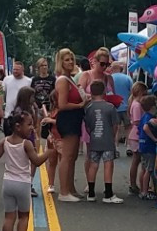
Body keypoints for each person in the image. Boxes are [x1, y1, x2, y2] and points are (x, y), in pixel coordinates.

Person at [52, 48, 86, 203]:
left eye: (72, 59)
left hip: (74, 118)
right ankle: (64, 191)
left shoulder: (69, 78)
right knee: (67, 156)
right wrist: (80, 105)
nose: (70, 62)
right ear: (60, 62)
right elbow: (63, 104)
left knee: (72, 156)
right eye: (67, 59)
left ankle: (70, 188)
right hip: (67, 119)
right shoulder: (63, 80)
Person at [83, 75, 124, 203]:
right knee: (108, 164)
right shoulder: (110, 107)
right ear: (104, 91)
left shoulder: (88, 108)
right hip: (107, 140)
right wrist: (112, 136)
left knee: (93, 165)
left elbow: (88, 125)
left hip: (95, 139)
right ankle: (108, 194)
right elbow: (115, 125)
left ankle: (91, 192)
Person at [135, 90, 157, 199]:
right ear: (152, 106)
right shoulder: (149, 117)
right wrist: (154, 138)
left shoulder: (144, 116)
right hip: (149, 145)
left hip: (142, 145)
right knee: (149, 169)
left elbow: (139, 129)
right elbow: (146, 128)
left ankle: (142, 189)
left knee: (143, 168)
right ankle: (145, 191)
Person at [125, 80, 149, 197]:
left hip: (135, 135)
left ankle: (134, 184)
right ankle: (133, 184)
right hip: (137, 135)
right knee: (137, 160)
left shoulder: (134, 103)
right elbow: (136, 120)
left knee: (137, 160)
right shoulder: (137, 105)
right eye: (144, 94)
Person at [0, 59, 33, 124]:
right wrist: (0, 108)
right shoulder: (7, 79)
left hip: (23, 115)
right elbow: (1, 93)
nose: (15, 71)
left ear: (22, 70)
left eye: (17, 70)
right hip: (8, 114)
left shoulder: (29, 81)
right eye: (14, 69)